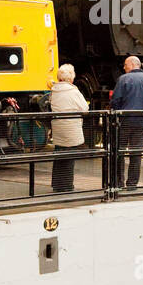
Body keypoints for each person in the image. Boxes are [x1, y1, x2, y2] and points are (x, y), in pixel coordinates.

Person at [110, 55, 143, 189]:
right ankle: (132, 184)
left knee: (119, 152)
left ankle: (118, 182)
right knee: (136, 153)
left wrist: (118, 116)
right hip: (141, 122)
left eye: (125, 65)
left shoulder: (123, 79)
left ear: (132, 65)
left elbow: (115, 101)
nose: (124, 67)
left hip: (124, 121)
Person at [49, 64, 89, 192]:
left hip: (58, 128)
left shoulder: (53, 91)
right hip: (71, 129)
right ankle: (67, 186)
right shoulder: (73, 91)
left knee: (59, 154)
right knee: (69, 158)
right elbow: (85, 109)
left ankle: (56, 184)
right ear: (71, 77)